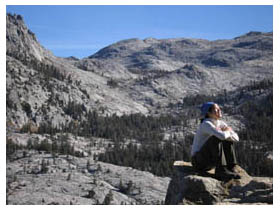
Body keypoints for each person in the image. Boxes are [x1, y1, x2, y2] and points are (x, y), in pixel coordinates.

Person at [191, 102, 241, 180]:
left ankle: (231, 167)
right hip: (199, 161)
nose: (219, 111)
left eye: (219, 109)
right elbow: (222, 136)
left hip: (210, 159)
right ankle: (221, 171)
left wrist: (225, 134)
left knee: (227, 139)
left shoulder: (220, 123)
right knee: (216, 138)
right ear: (208, 112)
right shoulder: (206, 124)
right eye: (216, 110)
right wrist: (227, 131)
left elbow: (236, 138)